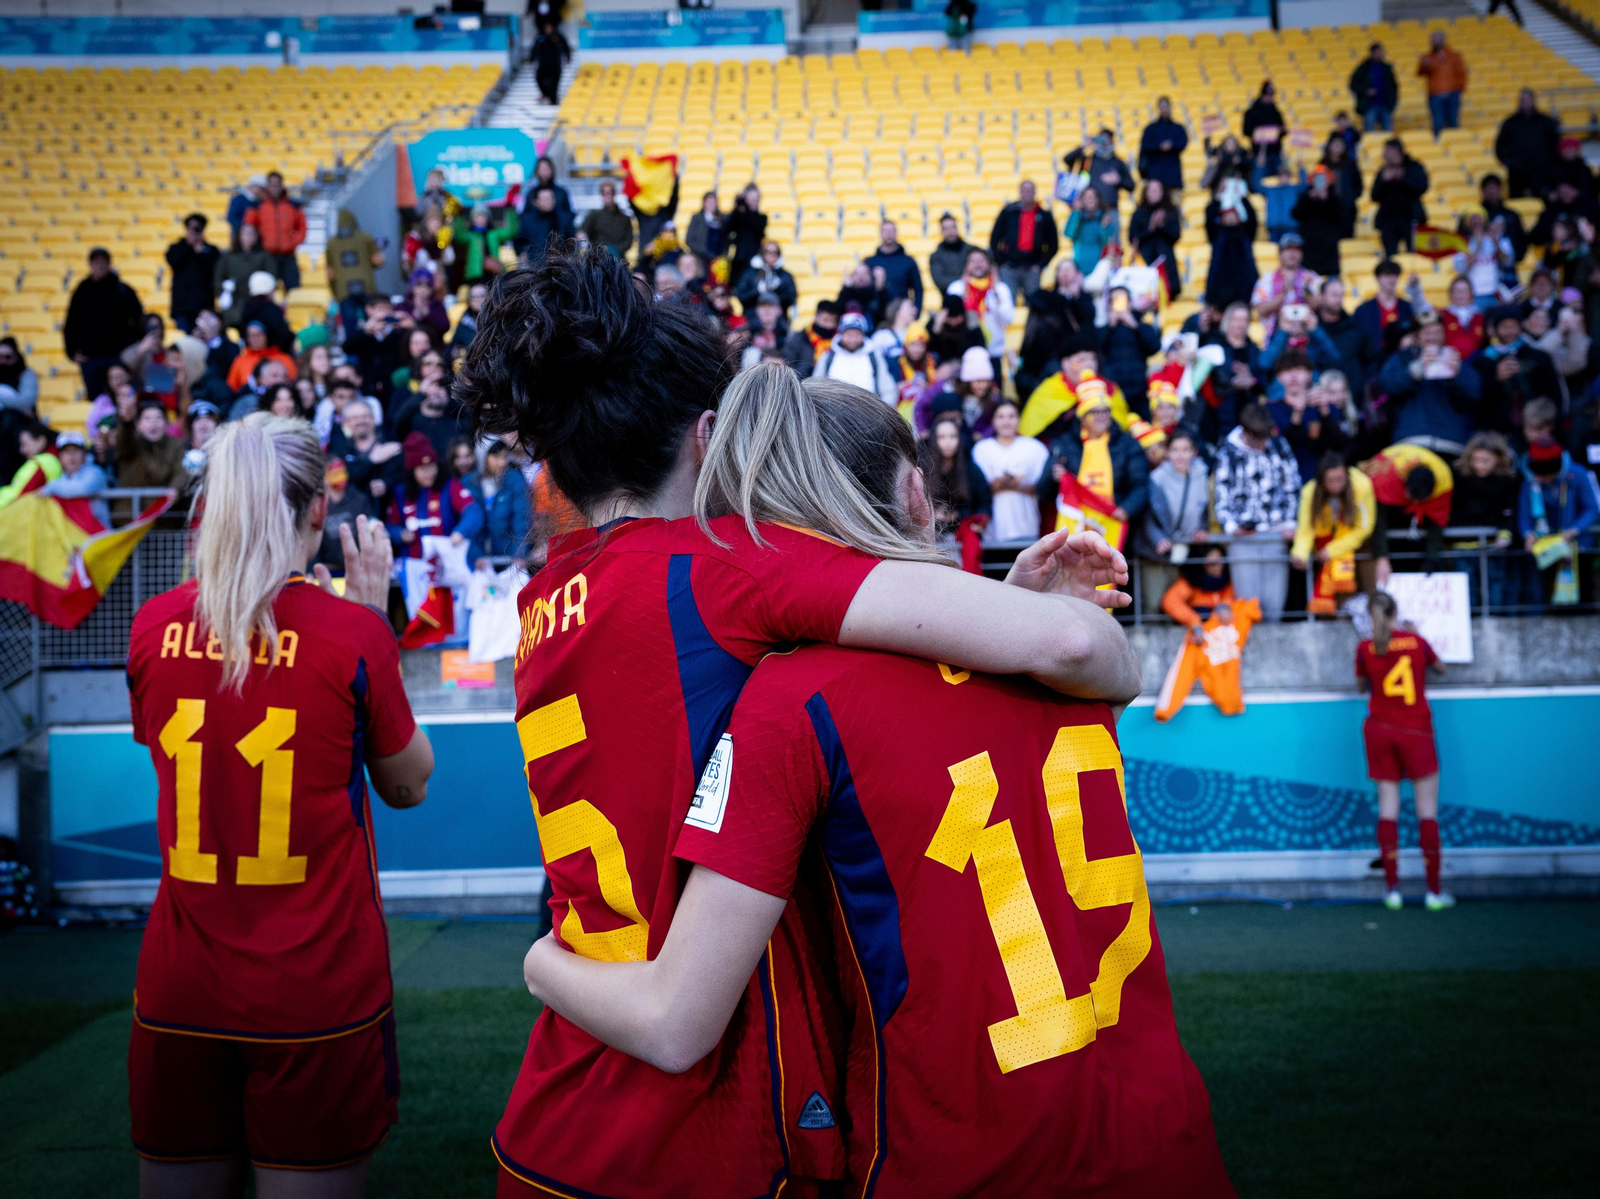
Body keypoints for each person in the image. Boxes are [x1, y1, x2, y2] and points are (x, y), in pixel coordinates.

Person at [455, 251, 1139, 1199]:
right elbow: (1074, 646)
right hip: (703, 1131)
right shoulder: (725, 567)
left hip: (557, 1108)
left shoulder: (544, 601)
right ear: (707, 436)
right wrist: (1003, 618)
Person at [518, 431, 1235, 1196]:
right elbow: (1043, 671)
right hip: (1166, 1135)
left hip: (964, 1158)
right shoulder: (1058, 665)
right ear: (919, 497)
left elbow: (675, 1018)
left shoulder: (795, 700)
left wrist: (537, 960)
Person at [124, 413, 432, 1196]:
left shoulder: (153, 627)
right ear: (318, 509)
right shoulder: (351, 635)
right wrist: (374, 627)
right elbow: (407, 785)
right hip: (315, 992)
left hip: (179, 985)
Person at [1357, 591, 1451, 911]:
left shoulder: (1364, 648)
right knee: (1426, 811)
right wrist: (1415, 633)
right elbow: (1442, 669)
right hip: (1416, 729)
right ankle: (1434, 892)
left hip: (1379, 729)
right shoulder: (1416, 642)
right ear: (1397, 612)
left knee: (1388, 809)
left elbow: (1361, 686)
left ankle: (1393, 890)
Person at [1213, 402, 1301, 622]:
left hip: (1275, 535)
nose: (1263, 444)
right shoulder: (1228, 453)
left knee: (1274, 604)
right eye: (1257, 439)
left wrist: (1290, 522)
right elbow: (1221, 495)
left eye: (1265, 438)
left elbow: (1292, 485)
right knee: (1247, 605)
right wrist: (1232, 528)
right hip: (1244, 540)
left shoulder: (1280, 446)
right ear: (1244, 432)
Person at [1049, 385, 1151, 529]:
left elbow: (1140, 483)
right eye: (1095, 412)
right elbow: (1044, 491)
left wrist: (1127, 508)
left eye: (1106, 411)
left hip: (1115, 521)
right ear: (1083, 417)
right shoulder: (1064, 444)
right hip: (1076, 522)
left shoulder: (1128, 444)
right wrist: (1053, 477)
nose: (1102, 416)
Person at [1290, 452, 1374, 614]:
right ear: (1321, 480)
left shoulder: (1362, 486)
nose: (1336, 485)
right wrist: (1299, 553)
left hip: (1355, 549)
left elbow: (1364, 528)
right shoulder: (1310, 492)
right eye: (1330, 481)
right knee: (1324, 603)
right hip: (1322, 551)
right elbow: (1306, 528)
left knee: (1353, 595)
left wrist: (1332, 550)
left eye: (1340, 480)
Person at [1519, 434, 1599, 603]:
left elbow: (1592, 508)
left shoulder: (1577, 474)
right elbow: (1524, 515)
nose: (1539, 479)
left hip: (1577, 546)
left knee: (1582, 596)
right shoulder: (1530, 479)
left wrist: (1575, 529)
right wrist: (1528, 534)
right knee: (1543, 593)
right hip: (1545, 549)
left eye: (1544, 476)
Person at [1139, 429, 1210, 611]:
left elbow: (1204, 509)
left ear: (1194, 452)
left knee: (1178, 604)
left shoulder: (1202, 474)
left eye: (1185, 450)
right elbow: (1148, 515)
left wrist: (1202, 528)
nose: (1180, 455)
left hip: (1186, 548)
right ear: (1167, 452)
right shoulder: (1157, 478)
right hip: (1156, 550)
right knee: (1154, 603)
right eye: (1175, 449)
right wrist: (1158, 538)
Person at [1450, 430, 1520, 610]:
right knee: (1465, 594)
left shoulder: (1507, 479)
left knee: (1496, 591)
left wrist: (1505, 535)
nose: (1480, 465)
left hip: (1493, 546)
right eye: (1476, 460)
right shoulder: (1457, 475)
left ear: (1498, 458)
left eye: (1486, 461)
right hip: (1462, 545)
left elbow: (1509, 511)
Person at [385, 432, 483, 559]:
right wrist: (400, 534)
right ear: (412, 471)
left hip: (447, 561)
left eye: (431, 466)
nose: (429, 473)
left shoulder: (450, 486)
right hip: (413, 564)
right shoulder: (400, 493)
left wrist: (461, 532)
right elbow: (390, 524)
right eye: (422, 469)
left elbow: (473, 511)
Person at [1469, 305, 1559, 442]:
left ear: (1521, 326)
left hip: (1536, 430)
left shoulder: (1538, 357)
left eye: (1513, 326)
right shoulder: (1483, 361)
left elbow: (1553, 393)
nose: (1509, 332)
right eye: (1504, 326)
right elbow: (1478, 401)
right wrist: (1497, 379)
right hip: (1498, 432)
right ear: (1495, 329)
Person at [63, 246, 145, 396]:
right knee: (97, 401)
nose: (100, 265)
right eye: (96, 261)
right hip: (90, 358)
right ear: (90, 264)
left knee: (122, 396)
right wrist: (71, 351)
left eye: (103, 261)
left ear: (109, 263)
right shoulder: (82, 291)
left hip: (118, 356)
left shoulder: (122, 290)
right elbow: (71, 323)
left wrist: (130, 348)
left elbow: (139, 320)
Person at [972, 397, 1050, 544]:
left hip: (1027, 525)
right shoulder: (982, 449)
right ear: (993, 421)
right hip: (993, 528)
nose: (1006, 422)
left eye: (1011, 416)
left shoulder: (1035, 448)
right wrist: (1003, 484)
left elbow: (1043, 488)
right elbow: (978, 491)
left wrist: (1010, 485)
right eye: (1000, 417)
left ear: (1018, 419)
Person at [920, 413, 991, 540]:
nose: (948, 442)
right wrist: (932, 515)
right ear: (934, 440)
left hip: (963, 534)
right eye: (942, 437)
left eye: (953, 436)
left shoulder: (970, 469)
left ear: (959, 439)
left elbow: (984, 503)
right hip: (929, 534)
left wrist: (960, 516)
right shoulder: (923, 468)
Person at [947, 248, 1014, 383]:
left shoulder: (1001, 289)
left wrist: (994, 291)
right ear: (966, 265)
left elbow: (1008, 318)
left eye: (982, 261)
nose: (978, 264)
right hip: (964, 354)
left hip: (993, 353)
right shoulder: (956, 288)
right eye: (973, 261)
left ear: (989, 265)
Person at [465, 439, 534, 567]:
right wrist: (475, 555)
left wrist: (520, 553)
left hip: (509, 558)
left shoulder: (515, 480)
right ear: (483, 456)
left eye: (504, 457)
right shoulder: (469, 484)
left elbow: (522, 520)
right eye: (496, 457)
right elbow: (466, 523)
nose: (502, 462)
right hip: (478, 561)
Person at [988, 181, 1059, 301]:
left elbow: (1053, 244)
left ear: (1035, 192)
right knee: (1007, 301)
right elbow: (994, 239)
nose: (1028, 193)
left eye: (1030, 190)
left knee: (1034, 303)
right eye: (1025, 190)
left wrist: (1040, 264)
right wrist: (1001, 262)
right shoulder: (1008, 212)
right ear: (1019, 192)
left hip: (1032, 269)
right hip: (1009, 268)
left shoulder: (1044, 215)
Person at [1097, 285, 1161, 418]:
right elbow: (1096, 350)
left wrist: (1134, 325)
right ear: (1109, 305)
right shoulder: (1103, 330)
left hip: (1140, 390)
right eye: (1114, 300)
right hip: (1113, 391)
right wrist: (1110, 326)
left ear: (1130, 303)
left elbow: (1154, 346)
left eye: (1122, 300)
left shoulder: (1142, 326)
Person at [812, 312, 898, 406]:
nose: (852, 339)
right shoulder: (828, 356)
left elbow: (888, 389)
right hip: (833, 413)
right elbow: (815, 386)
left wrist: (883, 411)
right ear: (841, 334)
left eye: (856, 335)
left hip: (868, 413)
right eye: (849, 335)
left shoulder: (874, 357)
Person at [244, 172, 307, 290]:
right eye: (272, 185)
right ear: (267, 186)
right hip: (267, 256)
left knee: (294, 289)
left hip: (288, 256)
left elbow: (302, 227)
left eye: (277, 185)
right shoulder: (258, 206)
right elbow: (248, 227)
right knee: (266, 290)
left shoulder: (292, 206)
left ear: (282, 186)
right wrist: (257, 245)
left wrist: (293, 242)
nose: (274, 188)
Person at [1495, 89, 1561, 201]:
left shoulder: (1545, 121)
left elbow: (1555, 144)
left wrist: (1549, 162)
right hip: (1517, 173)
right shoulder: (1510, 122)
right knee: (1517, 201)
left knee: (1542, 200)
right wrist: (1509, 162)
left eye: (1527, 100)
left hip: (1542, 171)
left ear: (1533, 101)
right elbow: (1500, 146)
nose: (1524, 102)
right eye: (1522, 100)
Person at [1063, 129, 1133, 234]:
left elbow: (1131, 186)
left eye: (1107, 139)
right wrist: (1084, 146)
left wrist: (1119, 180)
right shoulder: (1088, 160)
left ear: (1112, 141)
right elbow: (1067, 160)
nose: (1104, 143)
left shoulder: (1118, 162)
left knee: (1112, 243)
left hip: (1110, 210)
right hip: (1089, 212)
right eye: (1101, 139)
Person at [214, 221, 277, 331]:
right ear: (239, 236)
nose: (249, 237)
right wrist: (224, 290)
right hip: (234, 303)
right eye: (245, 233)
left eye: (251, 233)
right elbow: (218, 279)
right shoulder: (228, 257)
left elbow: (271, 278)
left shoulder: (264, 256)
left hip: (257, 303)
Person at [1370, 139, 1429, 257]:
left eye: (1386, 150)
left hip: (1410, 217)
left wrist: (1403, 178)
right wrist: (1383, 181)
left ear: (1396, 151)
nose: (1383, 153)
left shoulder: (1413, 167)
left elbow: (1422, 187)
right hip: (1388, 219)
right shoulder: (1383, 170)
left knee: (1414, 255)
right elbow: (1374, 196)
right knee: (1390, 255)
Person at [1204, 189, 1260, 311]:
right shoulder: (1217, 234)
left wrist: (1243, 199)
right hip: (1221, 286)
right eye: (1226, 216)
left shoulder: (1246, 234)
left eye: (1233, 215)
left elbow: (1253, 219)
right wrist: (1216, 200)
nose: (1230, 218)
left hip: (1244, 283)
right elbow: (1208, 219)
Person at [164, 213, 220, 333]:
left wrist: (201, 252)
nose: (194, 231)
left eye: (198, 228)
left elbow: (215, 270)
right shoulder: (177, 247)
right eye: (192, 228)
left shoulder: (211, 250)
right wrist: (187, 245)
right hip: (182, 307)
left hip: (204, 306)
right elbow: (172, 260)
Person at [1354, 259, 1415, 366]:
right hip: (1372, 362)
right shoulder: (1363, 310)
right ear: (1378, 278)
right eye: (1387, 275)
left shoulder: (1407, 307)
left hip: (1402, 361)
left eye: (1394, 275)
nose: (1391, 279)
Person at [1128, 178, 1182, 297]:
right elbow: (1133, 238)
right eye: (1151, 190)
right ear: (1145, 193)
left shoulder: (1171, 212)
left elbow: (1176, 236)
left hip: (1166, 265)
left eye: (1157, 190)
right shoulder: (1138, 213)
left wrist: (1162, 226)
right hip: (1145, 263)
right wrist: (1150, 227)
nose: (1154, 193)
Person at [1291, 168, 1345, 279]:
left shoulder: (1335, 198)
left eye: (1324, 180)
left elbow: (1339, 216)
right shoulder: (1306, 197)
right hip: (1309, 253)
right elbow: (1295, 214)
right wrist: (1308, 198)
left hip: (1329, 254)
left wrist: (1325, 200)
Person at [864, 219, 924, 312]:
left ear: (896, 233)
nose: (889, 234)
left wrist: (916, 311)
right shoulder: (870, 262)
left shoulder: (908, 261)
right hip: (876, 313)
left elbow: (918, 288)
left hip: (900, 312)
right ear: (880, 233)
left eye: (892, 230)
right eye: (885, 231)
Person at [1417, 31, 1468, 139]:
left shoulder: (1453, 56)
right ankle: (1439, 143)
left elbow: (1462, 73)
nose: (1434, 43)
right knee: (1438, 123)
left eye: (1436, 40)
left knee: (1453, 121)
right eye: (1432, 40)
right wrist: (1424, 66)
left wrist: (1459, 88)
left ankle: (1455, 141)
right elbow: (1420, 73)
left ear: (1443, 41)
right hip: (1435, 95)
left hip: (1452, 94)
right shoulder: (1427, 57)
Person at [1138, 96, 1189, 195]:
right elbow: (1145, 145)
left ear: (1170, 107)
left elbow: (1183, 142)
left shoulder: (1178, 128)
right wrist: (1159, 146)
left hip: (1173, 177)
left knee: (1174, 207)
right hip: (1155, 177)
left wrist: (1172, 145)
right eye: (1162, 107)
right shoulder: (1150, 128)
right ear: (1158, 108)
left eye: (1166, 106)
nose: (1164, 109)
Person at [734, 239, 798, 316]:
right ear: (762, 253)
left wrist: (776, 291)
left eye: (775, 252)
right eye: (768, 252)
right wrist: (758, 291)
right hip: (752, 317)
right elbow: (741, 296)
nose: (772, 255)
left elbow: (791, 298)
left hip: (778, 320)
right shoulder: (750, 273)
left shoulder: (785, 276)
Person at [1320, 135, 1363, 240]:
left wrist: (1350, 196)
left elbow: (1359, 185)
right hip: (1327, 210)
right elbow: (1318, 186)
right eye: (1335, 144)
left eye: (1340, 144)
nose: (1337, 147)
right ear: (1329, 146)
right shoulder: (1322, 165)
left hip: (1347, 209)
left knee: (1347, 239)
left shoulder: (1351, 165)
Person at [1064, 187, 1115, 275]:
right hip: (1079, 265)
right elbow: (1069, 234)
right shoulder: (1077, 217)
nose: (1090, 199)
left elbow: (1107, 243)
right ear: (1082, 200)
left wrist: (1103, 227)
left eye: (1093, 197)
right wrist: (1076, 211)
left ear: (1098, 200)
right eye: (1087, 197)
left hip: (1098, 266)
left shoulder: (1104, 218)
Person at [1350, 42, 1399, 132]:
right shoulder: (1364, 68)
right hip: (1369, 105)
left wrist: (1393, 102)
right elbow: (1353, 84)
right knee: (1369, 130)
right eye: (1378, 52)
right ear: (1373, 53)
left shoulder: (1386, 68)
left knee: (1388, 131)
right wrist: (1366, 91)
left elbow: (1394, 86)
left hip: (1385, 104)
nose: (1381, 54)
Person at [1241, 81, 1286, 178]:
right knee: (1259, 180)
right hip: (1258, 153)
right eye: (1268, 95)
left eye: (1271, 95)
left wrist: (1281, 131)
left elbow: (1282, 130)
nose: (1270, 98)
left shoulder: (1276, 112)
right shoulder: (1251, 112)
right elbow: (1246, 131)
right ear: (1262, 95)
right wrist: (1260, 134)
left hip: (1275, 152)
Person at [579, 181, 633, 260]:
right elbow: (583, 231)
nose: (608, 195)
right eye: (605, 193)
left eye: (611, 192)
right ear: (601, 195)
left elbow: (628, 240)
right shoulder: (594, 215)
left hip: (618, 259)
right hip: (598, 258)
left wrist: (615, 250)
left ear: (614, 194)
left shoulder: (625, 218)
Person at [929, 211, 980, 295]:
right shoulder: (936, 256)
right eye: (946, 229)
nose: (950, 232)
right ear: (941, 231)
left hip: (976, 297)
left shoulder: (971, 250)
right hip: (952, 299)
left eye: (953, 227)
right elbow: (940, 281)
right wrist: (964, 280)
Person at [725, 184, 768, 275]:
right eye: (751, 198)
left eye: (756, 199)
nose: (753, 201)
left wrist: (745, 209)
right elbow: (728, 228)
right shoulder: (739, 215)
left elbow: (756, 226)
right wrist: (737, 208)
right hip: (738, 258)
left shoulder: (762, 217)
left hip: (754, 258)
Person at [531, 19, 570, 104]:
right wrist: (532, 60)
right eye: (547, 27)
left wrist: (567, 57)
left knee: (554, 83)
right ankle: (545, 93)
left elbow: (565, 47)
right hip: (543, 64)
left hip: (555, 65)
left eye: (550, 27)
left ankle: (553, 100)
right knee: (539, 78)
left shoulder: (558, 37)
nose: (548, 29)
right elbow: (534, 49)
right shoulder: (540, 37)